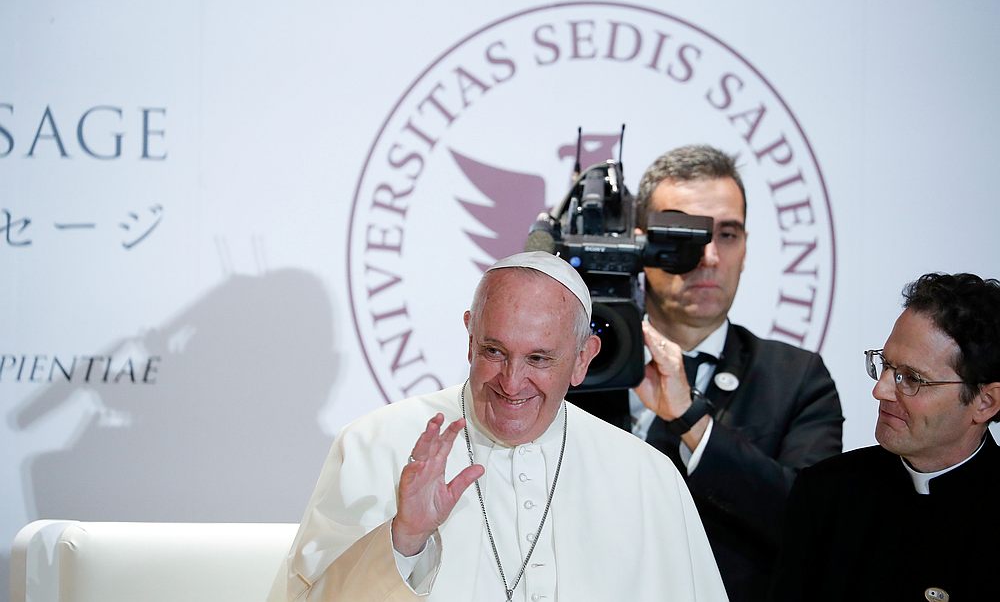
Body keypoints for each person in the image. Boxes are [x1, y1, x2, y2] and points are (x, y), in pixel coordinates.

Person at [268, 251, 728, 602]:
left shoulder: (647, 475)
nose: (512, 383)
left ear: (582, 359)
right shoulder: (375, 443)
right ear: (470, 337)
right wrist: (404, 539)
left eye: (539, 359)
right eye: (494, 351)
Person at [575, 145, 843, 602]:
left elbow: (813, 526)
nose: (710, 258)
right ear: (638, 244)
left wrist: (692, 421)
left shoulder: (796, 379)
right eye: (684, 236)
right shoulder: (579, 366)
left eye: (728, 235)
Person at [769, 272, 1000, 602]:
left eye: (913, 379)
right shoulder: (826, 492)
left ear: (985, 402)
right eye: (886, 365)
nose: (881, 390)